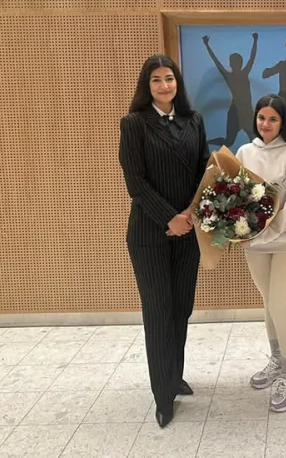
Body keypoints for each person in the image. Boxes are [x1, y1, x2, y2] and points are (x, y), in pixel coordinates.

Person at [118, 55, 210, 428]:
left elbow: (205, 170)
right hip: (149, 234)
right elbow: (135, 181)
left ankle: (174, 375)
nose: (164, 85)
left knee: (181, 308)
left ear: (177, 83)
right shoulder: (134, 124)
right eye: (156, 79)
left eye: (169, 78)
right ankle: (162, 396)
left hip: (187, 232)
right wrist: (168, 218)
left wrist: (188, 214)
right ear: (147, 85)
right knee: (158, 312)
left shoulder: (194, 120)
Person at [235, 94, 286, 413]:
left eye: (273, 119)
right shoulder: (244, 152)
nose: (265, 124)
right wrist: (238, 230)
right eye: (261, 118)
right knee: (269, 305)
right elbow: (234, 197)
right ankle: (277, 360)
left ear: (283, 123)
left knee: (280, 305)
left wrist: (269, 229)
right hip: (255, 244)